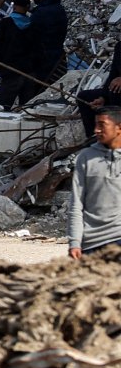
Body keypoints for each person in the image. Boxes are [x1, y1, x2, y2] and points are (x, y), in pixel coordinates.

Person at [69, 106, 121, 260]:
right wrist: (75, 242)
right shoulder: (85, 157)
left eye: (102, 125)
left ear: (119, 127)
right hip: (91, 243)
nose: (96, 130)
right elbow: (76, 204)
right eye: (95, 125)